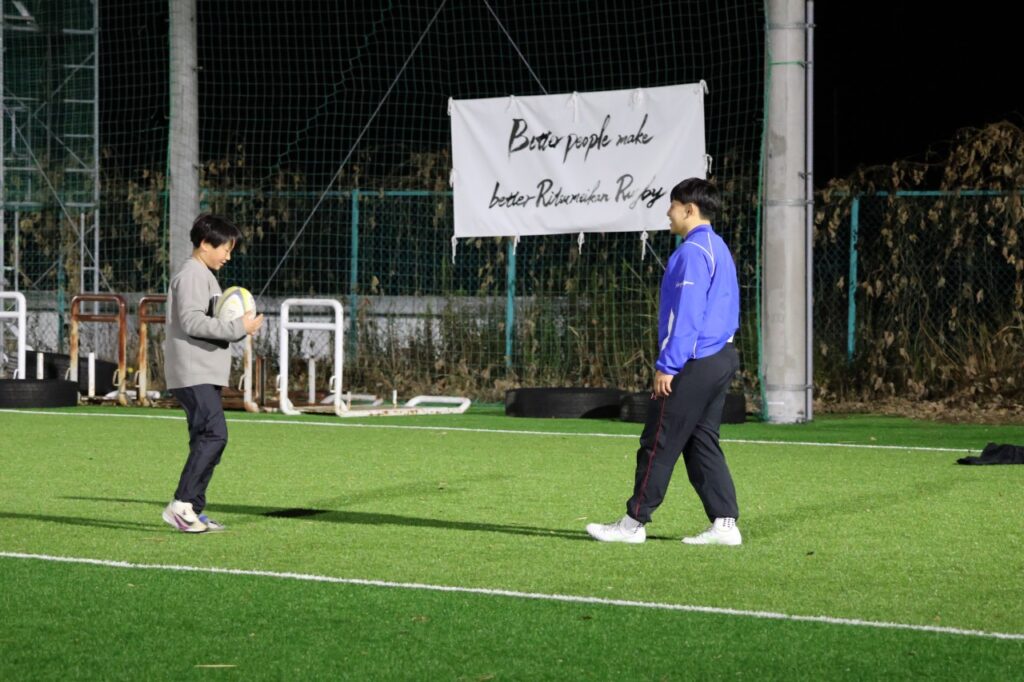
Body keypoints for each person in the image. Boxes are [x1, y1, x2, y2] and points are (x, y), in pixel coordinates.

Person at [586, 177, 742, 545]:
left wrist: (668, 365)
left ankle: (632, 525)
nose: (668, 212)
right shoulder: (718, 247)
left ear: (689, 209)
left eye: (672, 205)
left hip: (694, 360)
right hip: (722, 356)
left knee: (659, 439)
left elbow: (687, 314)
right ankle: (725, 525)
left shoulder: (691, 252)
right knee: (702, 440)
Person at [161, 214, 264, 533]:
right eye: (225, 249)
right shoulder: (192, 275)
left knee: (204, 440)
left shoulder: (203, 274)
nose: (228, 256)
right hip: (193, 372)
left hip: (202, 371)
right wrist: (237, 327)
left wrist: (238, 326)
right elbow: (192, 321)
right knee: (214, 435)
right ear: (205, 244)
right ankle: (181, 504)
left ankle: (192, 509)